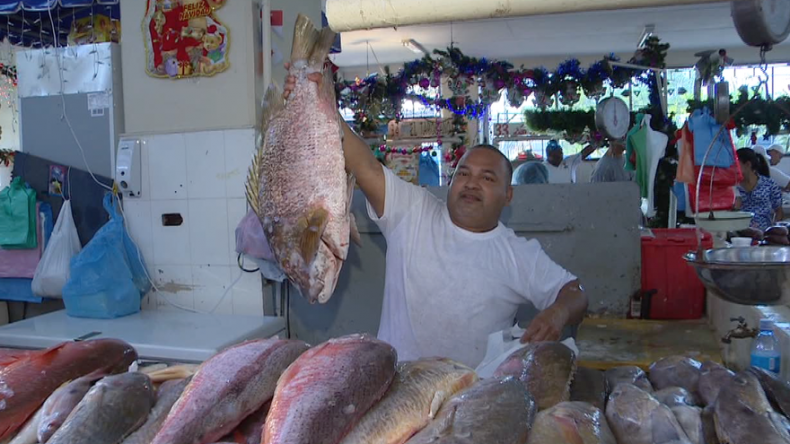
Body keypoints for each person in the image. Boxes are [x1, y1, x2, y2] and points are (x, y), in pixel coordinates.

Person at [284, 65, 588, 368]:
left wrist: (558, 312)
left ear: (508, 195)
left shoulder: (517, 254)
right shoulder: (413, 212)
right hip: (395, 386)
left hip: (471, 397)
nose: (471, 183)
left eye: (487, 178)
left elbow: (576, 293)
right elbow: (365, 166)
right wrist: (317, 101)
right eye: (463, 173)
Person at [735, 148, 784, 231]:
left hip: (764, 233)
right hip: (740, 232)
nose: (733, 167)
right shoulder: (734, 186)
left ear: (747, 164)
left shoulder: (769, 184)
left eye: (736, 164)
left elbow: (779, 211)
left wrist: (774, 229)